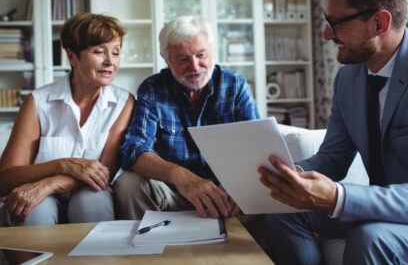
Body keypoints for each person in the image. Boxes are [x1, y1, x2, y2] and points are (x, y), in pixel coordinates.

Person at [258, 0, 408, 265]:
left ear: (379, 22)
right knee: (283, 208)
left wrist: (339, 197)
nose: (327, 35)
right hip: (378, 209)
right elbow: (333, 157)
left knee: (371, 237)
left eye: (337, 23)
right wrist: (292, 176)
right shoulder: (348, 77)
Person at [114, 15, 260, 220]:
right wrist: (181, 177)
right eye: (183, 59)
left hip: (228, 192)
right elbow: (135, 151)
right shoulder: (153, 89)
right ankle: (148, 249)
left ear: (213, 51)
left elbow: (257, 146)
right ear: (166, 60)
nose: (194, 66)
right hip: (174, 192)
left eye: (201, 55)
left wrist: (239, 181)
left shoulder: (235, 86)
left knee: (263, 189)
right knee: (128, 184)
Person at [0, 12, 134, 226]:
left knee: (92, 201)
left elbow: (104, 173)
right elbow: (5, 178)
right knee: (34, 210)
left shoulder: (123, 103)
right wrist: (62, 165)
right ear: (72, 57)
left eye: (116, 52)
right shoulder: (38, 102)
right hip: (38, 198)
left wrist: (51, 184)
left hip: (89, 193)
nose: (110, 61)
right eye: (99, 52)